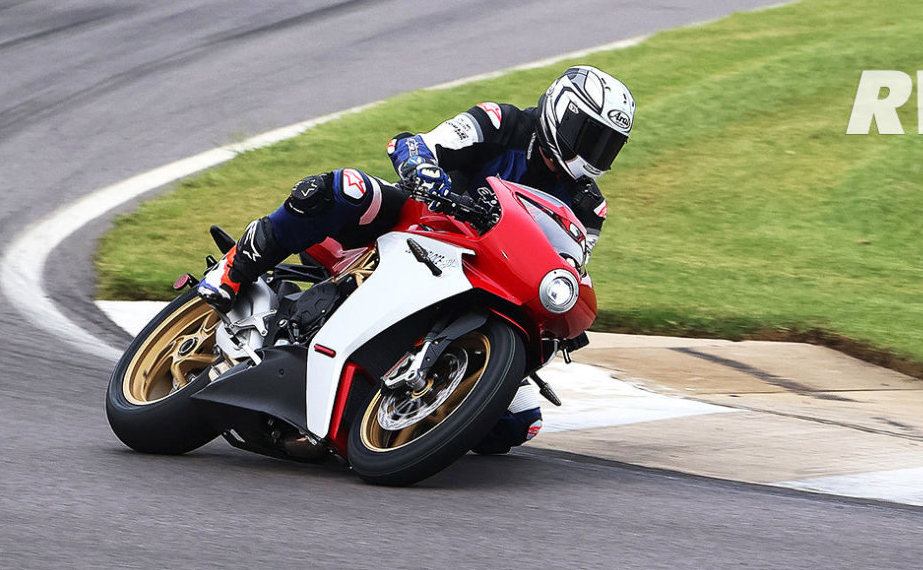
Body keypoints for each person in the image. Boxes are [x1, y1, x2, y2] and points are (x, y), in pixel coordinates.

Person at [195, 64, 636, 452]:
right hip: (422, 221)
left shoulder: (589, 206)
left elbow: (567, 263)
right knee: (342, 189)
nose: (598, 156)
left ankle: (392, 419)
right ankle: (236, 268)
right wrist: (424, 170)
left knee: (517, 423)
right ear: (565, 115)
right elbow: (418, 143)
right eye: (592, 138)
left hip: (487, 276)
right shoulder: (501, 121)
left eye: (608, 146)